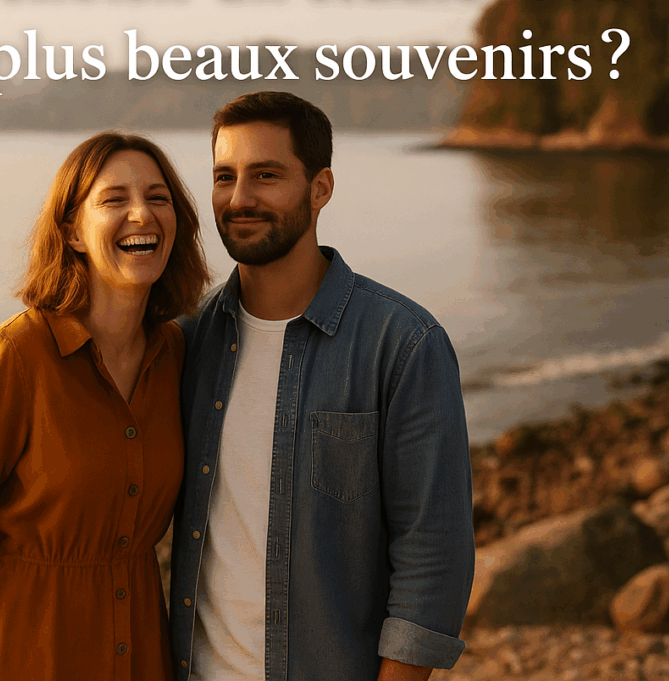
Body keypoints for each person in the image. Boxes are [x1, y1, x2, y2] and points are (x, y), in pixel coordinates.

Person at [168, 91, 474, 681]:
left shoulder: (402, 344)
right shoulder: (189, 339)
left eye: (266, 175)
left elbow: (434, 553)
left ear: (320, 188)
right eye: (225, 177)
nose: (239, 198)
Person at [0, 132, 211, 681]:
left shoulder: (177, 355)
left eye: (158, 198)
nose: (141, 214)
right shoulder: (16, 358)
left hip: (140, 656)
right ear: (72, 231)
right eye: (114, 199)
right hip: (18, 656)